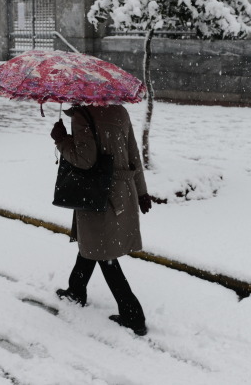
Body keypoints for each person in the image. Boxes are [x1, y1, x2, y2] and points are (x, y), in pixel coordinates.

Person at [50, 104, 153, 336]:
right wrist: (141, 192)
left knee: (104, 254)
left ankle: (133, 315)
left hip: (98, 193)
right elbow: (133, 154)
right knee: (93, 243)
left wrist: (62, 140)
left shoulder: (82, 115)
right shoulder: (119, 111)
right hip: (121, 191)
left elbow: (84, 160)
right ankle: (76, 291)